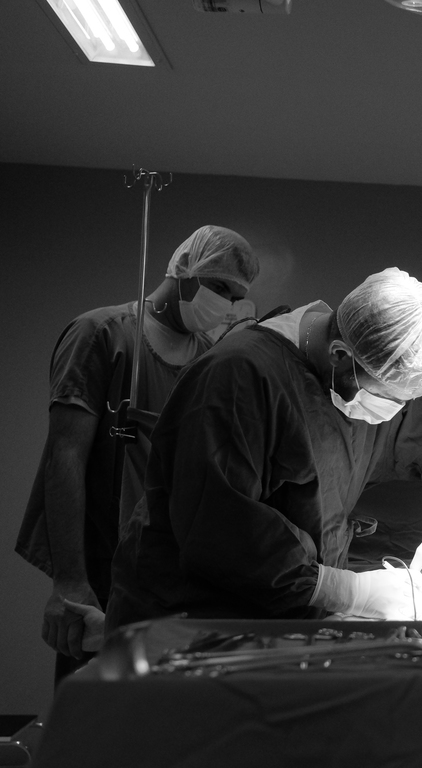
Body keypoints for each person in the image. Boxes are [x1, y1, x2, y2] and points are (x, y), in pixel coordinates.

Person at [105, 267, 422, 629]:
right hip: (193, 617)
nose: (400, 410)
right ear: (340, 356)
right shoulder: (236, 379)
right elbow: (218, 530)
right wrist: (350, 592)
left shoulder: (377, 366)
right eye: (392, 399)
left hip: (290, 614)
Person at [16, 225, 259, 671]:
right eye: (219, 287)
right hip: (104, 567)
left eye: (235, 296)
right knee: (100, 698)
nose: (226, 304)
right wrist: (70, 581)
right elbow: (64, 457)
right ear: (183, 269)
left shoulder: (210, 359)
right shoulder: (102, 334)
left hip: (173, 576)